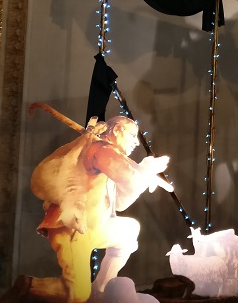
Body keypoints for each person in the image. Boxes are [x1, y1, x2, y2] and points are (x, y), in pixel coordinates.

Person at [10, 116, 172, 302]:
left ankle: (100, 291)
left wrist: (142, 173)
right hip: (73, 229)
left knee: (129, 230)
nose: (135, 142)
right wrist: (144, 171)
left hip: (94, 228)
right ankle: (28, 286)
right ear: (117, 130)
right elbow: (130, 179)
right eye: (132, 135)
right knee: (78, 293)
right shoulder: (102, 150)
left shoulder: (109, 153)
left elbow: (120, 203)